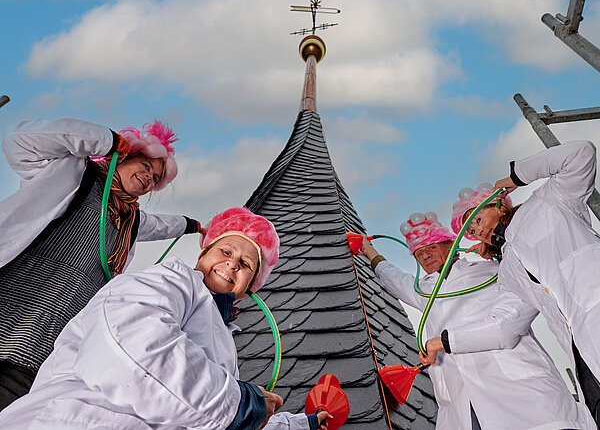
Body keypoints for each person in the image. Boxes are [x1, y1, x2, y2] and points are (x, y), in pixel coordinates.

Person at [0, 207, 331, 430]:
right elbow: (137, 349)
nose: (232, 264)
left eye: (246, 264)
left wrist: (299, 423)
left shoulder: (222, 338)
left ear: (251, 286)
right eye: (226, 252)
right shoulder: (165, 281)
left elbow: (197, 407)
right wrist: (244, 404)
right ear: (203, 253)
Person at [0, 118, 203, 409]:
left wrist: (193, 226)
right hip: (12, 305)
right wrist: (107, 140)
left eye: (156, 178)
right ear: (125, 157)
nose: (149, 178)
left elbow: (160, 225)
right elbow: (18, 141)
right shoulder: (72, 174)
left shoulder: (130, 221)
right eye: (145, 165)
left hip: (46, 344)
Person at [358, 211, 594, 429]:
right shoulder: (424, 289)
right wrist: (369, 251)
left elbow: (508, 319)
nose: (425, 255)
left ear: (450, 245)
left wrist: (498, 247)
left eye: (430, 247)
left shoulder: (493, 272)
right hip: (465, 404)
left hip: (519, 391)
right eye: (419, 253)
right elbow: (393, 278)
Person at [450, 141, 600, 424]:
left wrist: (517, 176)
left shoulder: (551, 199)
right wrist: (446, 340)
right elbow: (505, 325)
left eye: (479, 218)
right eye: (471, 230)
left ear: (497, 204)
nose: (478, 229)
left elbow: (582, 152)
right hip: (583, 358)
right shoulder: (509, 270)